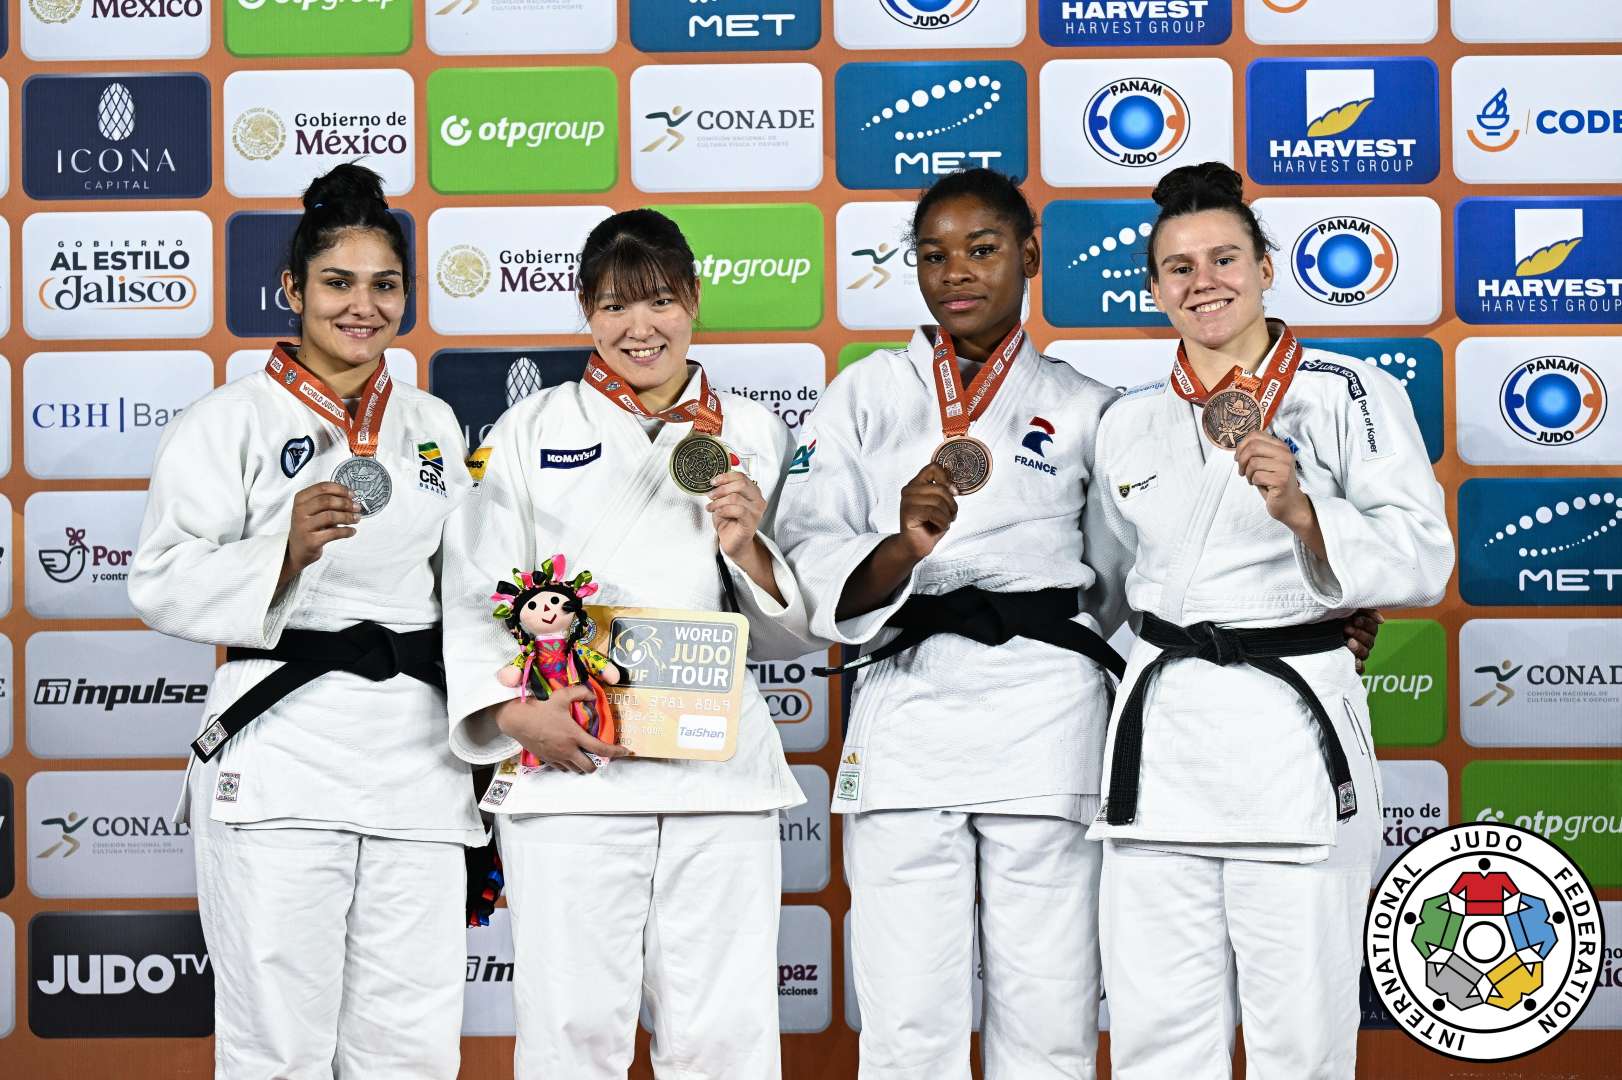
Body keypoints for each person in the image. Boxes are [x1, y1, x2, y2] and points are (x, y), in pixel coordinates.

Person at [1085, 162, 1453, 1079]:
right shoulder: (1128, 421)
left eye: (1223, 259)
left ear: (1265, 266)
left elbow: (1423, 554)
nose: (1203, 282)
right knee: (1157, 1035)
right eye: (1178, 267)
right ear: (1152, 286)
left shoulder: (1346, 391)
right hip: (1162, 748)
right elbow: (1106, 587)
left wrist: (1305, 514)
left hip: (1291, 737)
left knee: (1300, 1034)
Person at [775, 168, 1132, 1080]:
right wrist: (901, 548)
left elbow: (1123, 581)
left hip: (1048, 712)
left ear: (1031, 256)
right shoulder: (865, 394)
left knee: (1050, 1012)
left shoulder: (1090, 406)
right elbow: (812, 556)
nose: (956, 272)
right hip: (908, 701)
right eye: (933, 255)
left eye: (982, 249)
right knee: (905, 1021)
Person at [129, 163, 483, 1078]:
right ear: (291, 289)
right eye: (337, 282)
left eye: (384, 285)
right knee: (276, 1045)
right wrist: (279, 551)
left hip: (418, 760)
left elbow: (467, 589)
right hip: (284, 751)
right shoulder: (230, 420)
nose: (362, 307)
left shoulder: (434, 423)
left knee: (410, 1045)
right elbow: (159, 581)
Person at [441, 208, 811, 1080]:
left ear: (693, 299)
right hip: (573, 767)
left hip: (715, 770)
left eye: (658, 301)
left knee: (727, 1031)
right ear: (584, 311)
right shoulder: (528, 430)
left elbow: (790, 627)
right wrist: (511, 713)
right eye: (613, 306)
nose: (638, 328)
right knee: (570, 1030)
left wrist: (748, 548)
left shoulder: (758, 432)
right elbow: (471, 583)